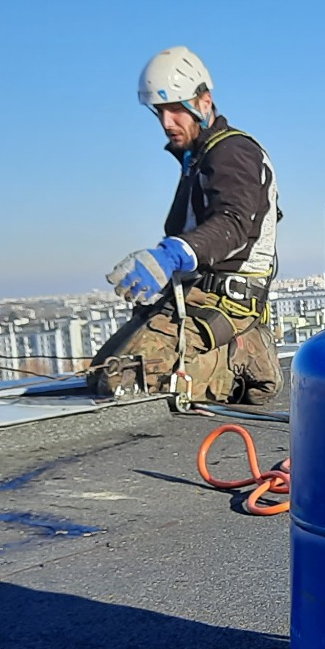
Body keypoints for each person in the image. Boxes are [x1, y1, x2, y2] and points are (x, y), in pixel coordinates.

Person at [90, 46, 281, 405]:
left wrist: (174, 254)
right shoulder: (199, 159)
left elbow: (234, 223)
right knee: (102, 372)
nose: (166, 123)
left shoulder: (233, 153)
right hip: (195, 295)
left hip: (227, 303)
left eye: (176, 109)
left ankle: (243, 356)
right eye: (160, 112)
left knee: (125, 383)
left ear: (203, 102)